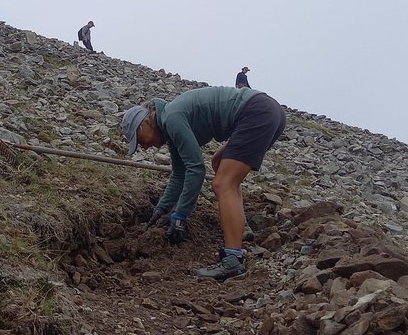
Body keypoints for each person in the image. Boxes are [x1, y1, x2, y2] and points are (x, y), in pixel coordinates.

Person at [122, 86, 286, 280]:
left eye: (140, 140)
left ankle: (232, 260)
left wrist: (181, 215)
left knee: (222, 184)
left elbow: (197, 170)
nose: (145, 146)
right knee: (219, 163)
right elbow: (179, 174)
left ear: (144, 124)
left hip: (257, 112)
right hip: (266, 111)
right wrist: (162, 208)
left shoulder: (172, 119)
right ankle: (239, 226)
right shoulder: (170, 125)